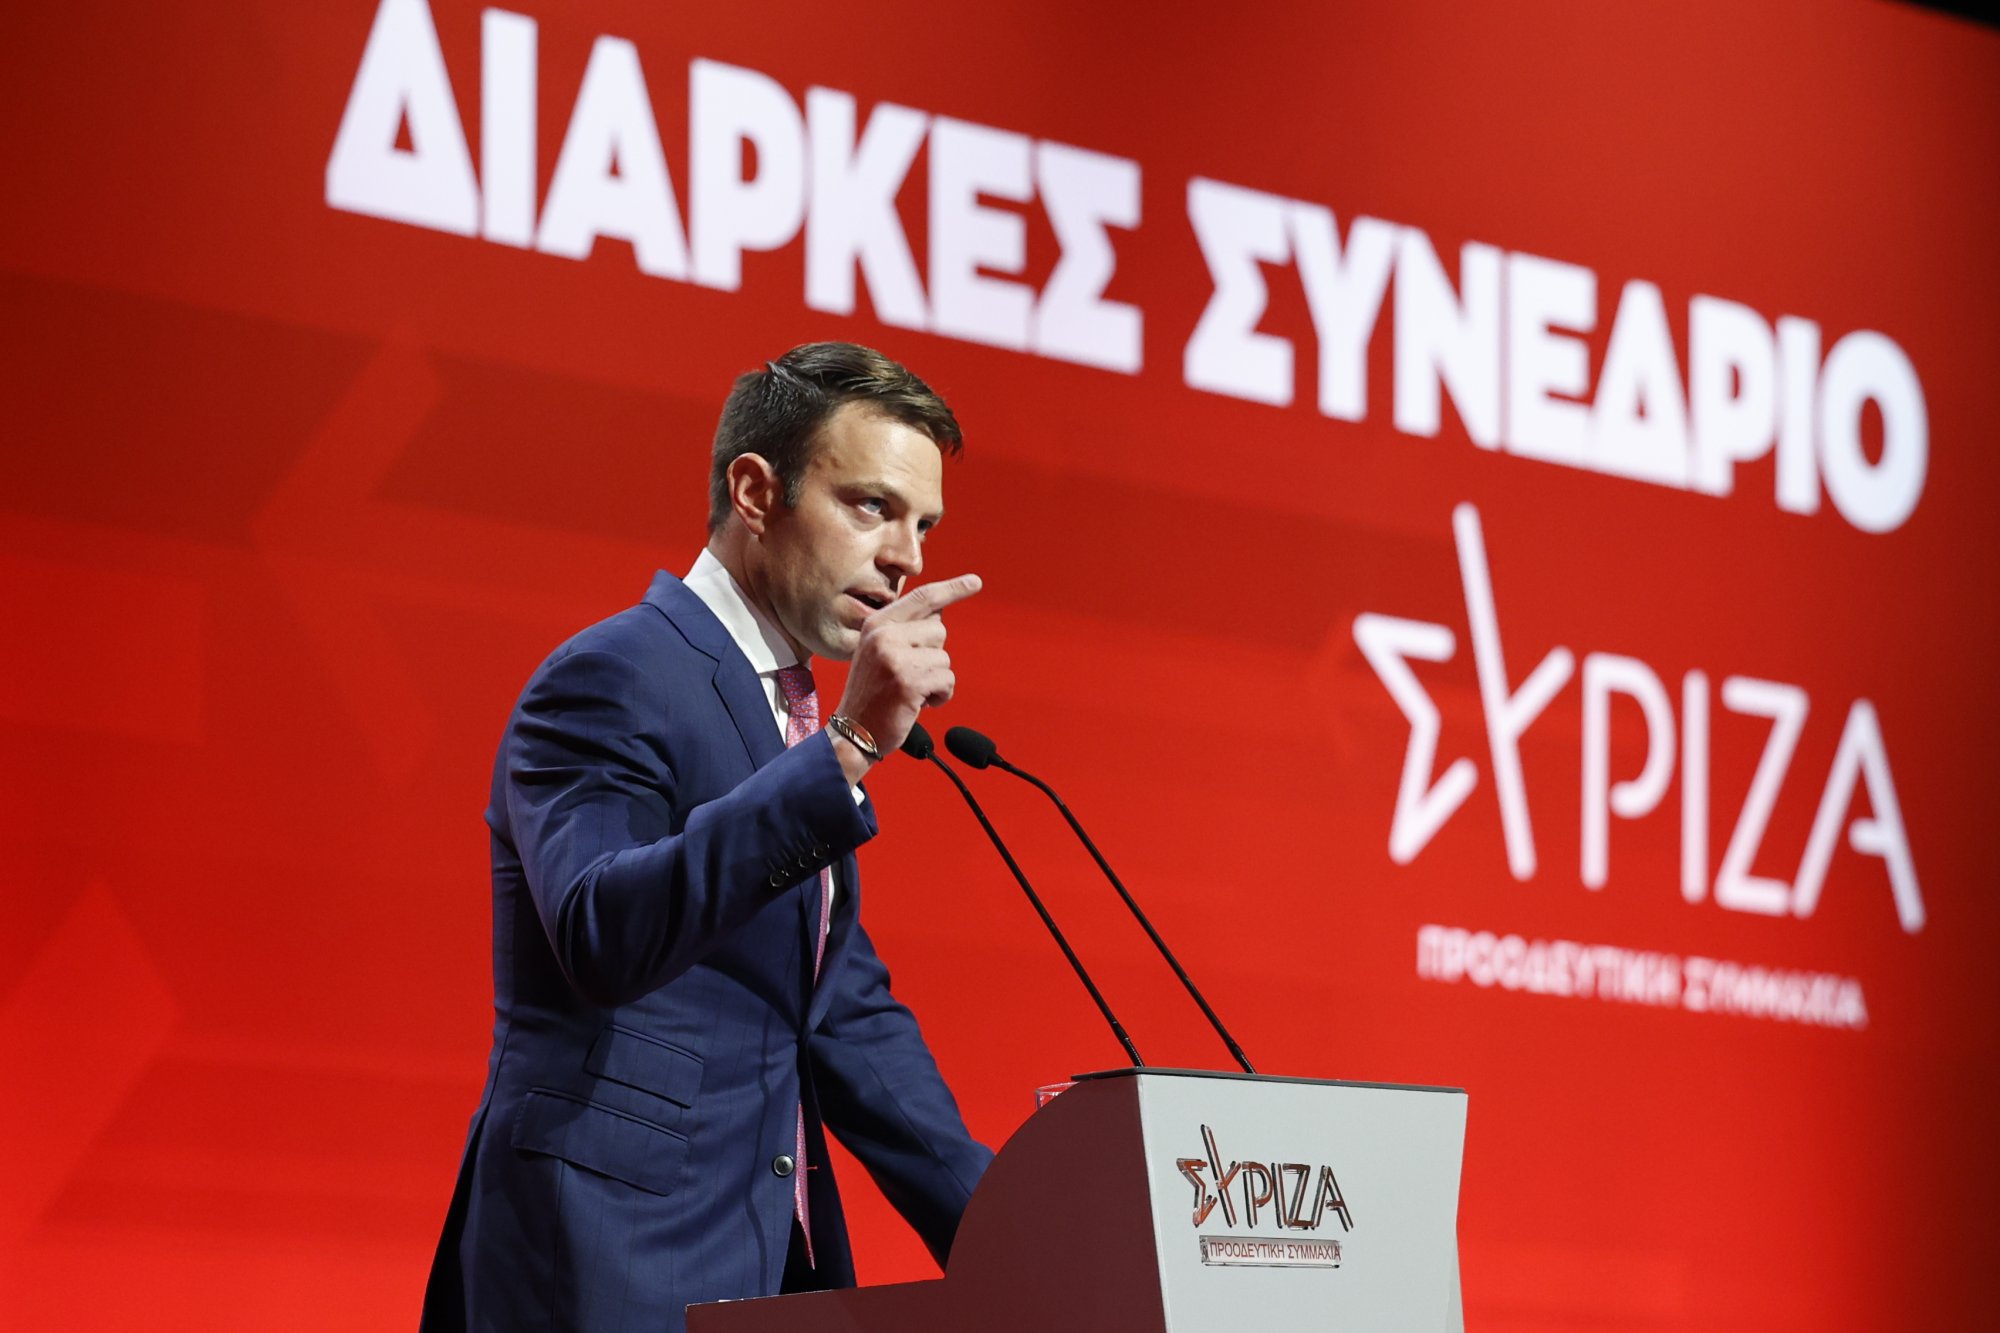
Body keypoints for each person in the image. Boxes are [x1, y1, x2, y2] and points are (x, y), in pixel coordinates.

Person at [419, 341, 995, 1332]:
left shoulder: (791, 720)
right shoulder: (613, 674)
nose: (906, 556)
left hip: (765, 1266)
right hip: (603, 1263)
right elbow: (600, 930)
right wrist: (850, 746)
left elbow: (840, 1015)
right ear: (756, 491)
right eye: (871, 506)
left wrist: (1018, 1240)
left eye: (923, 524)